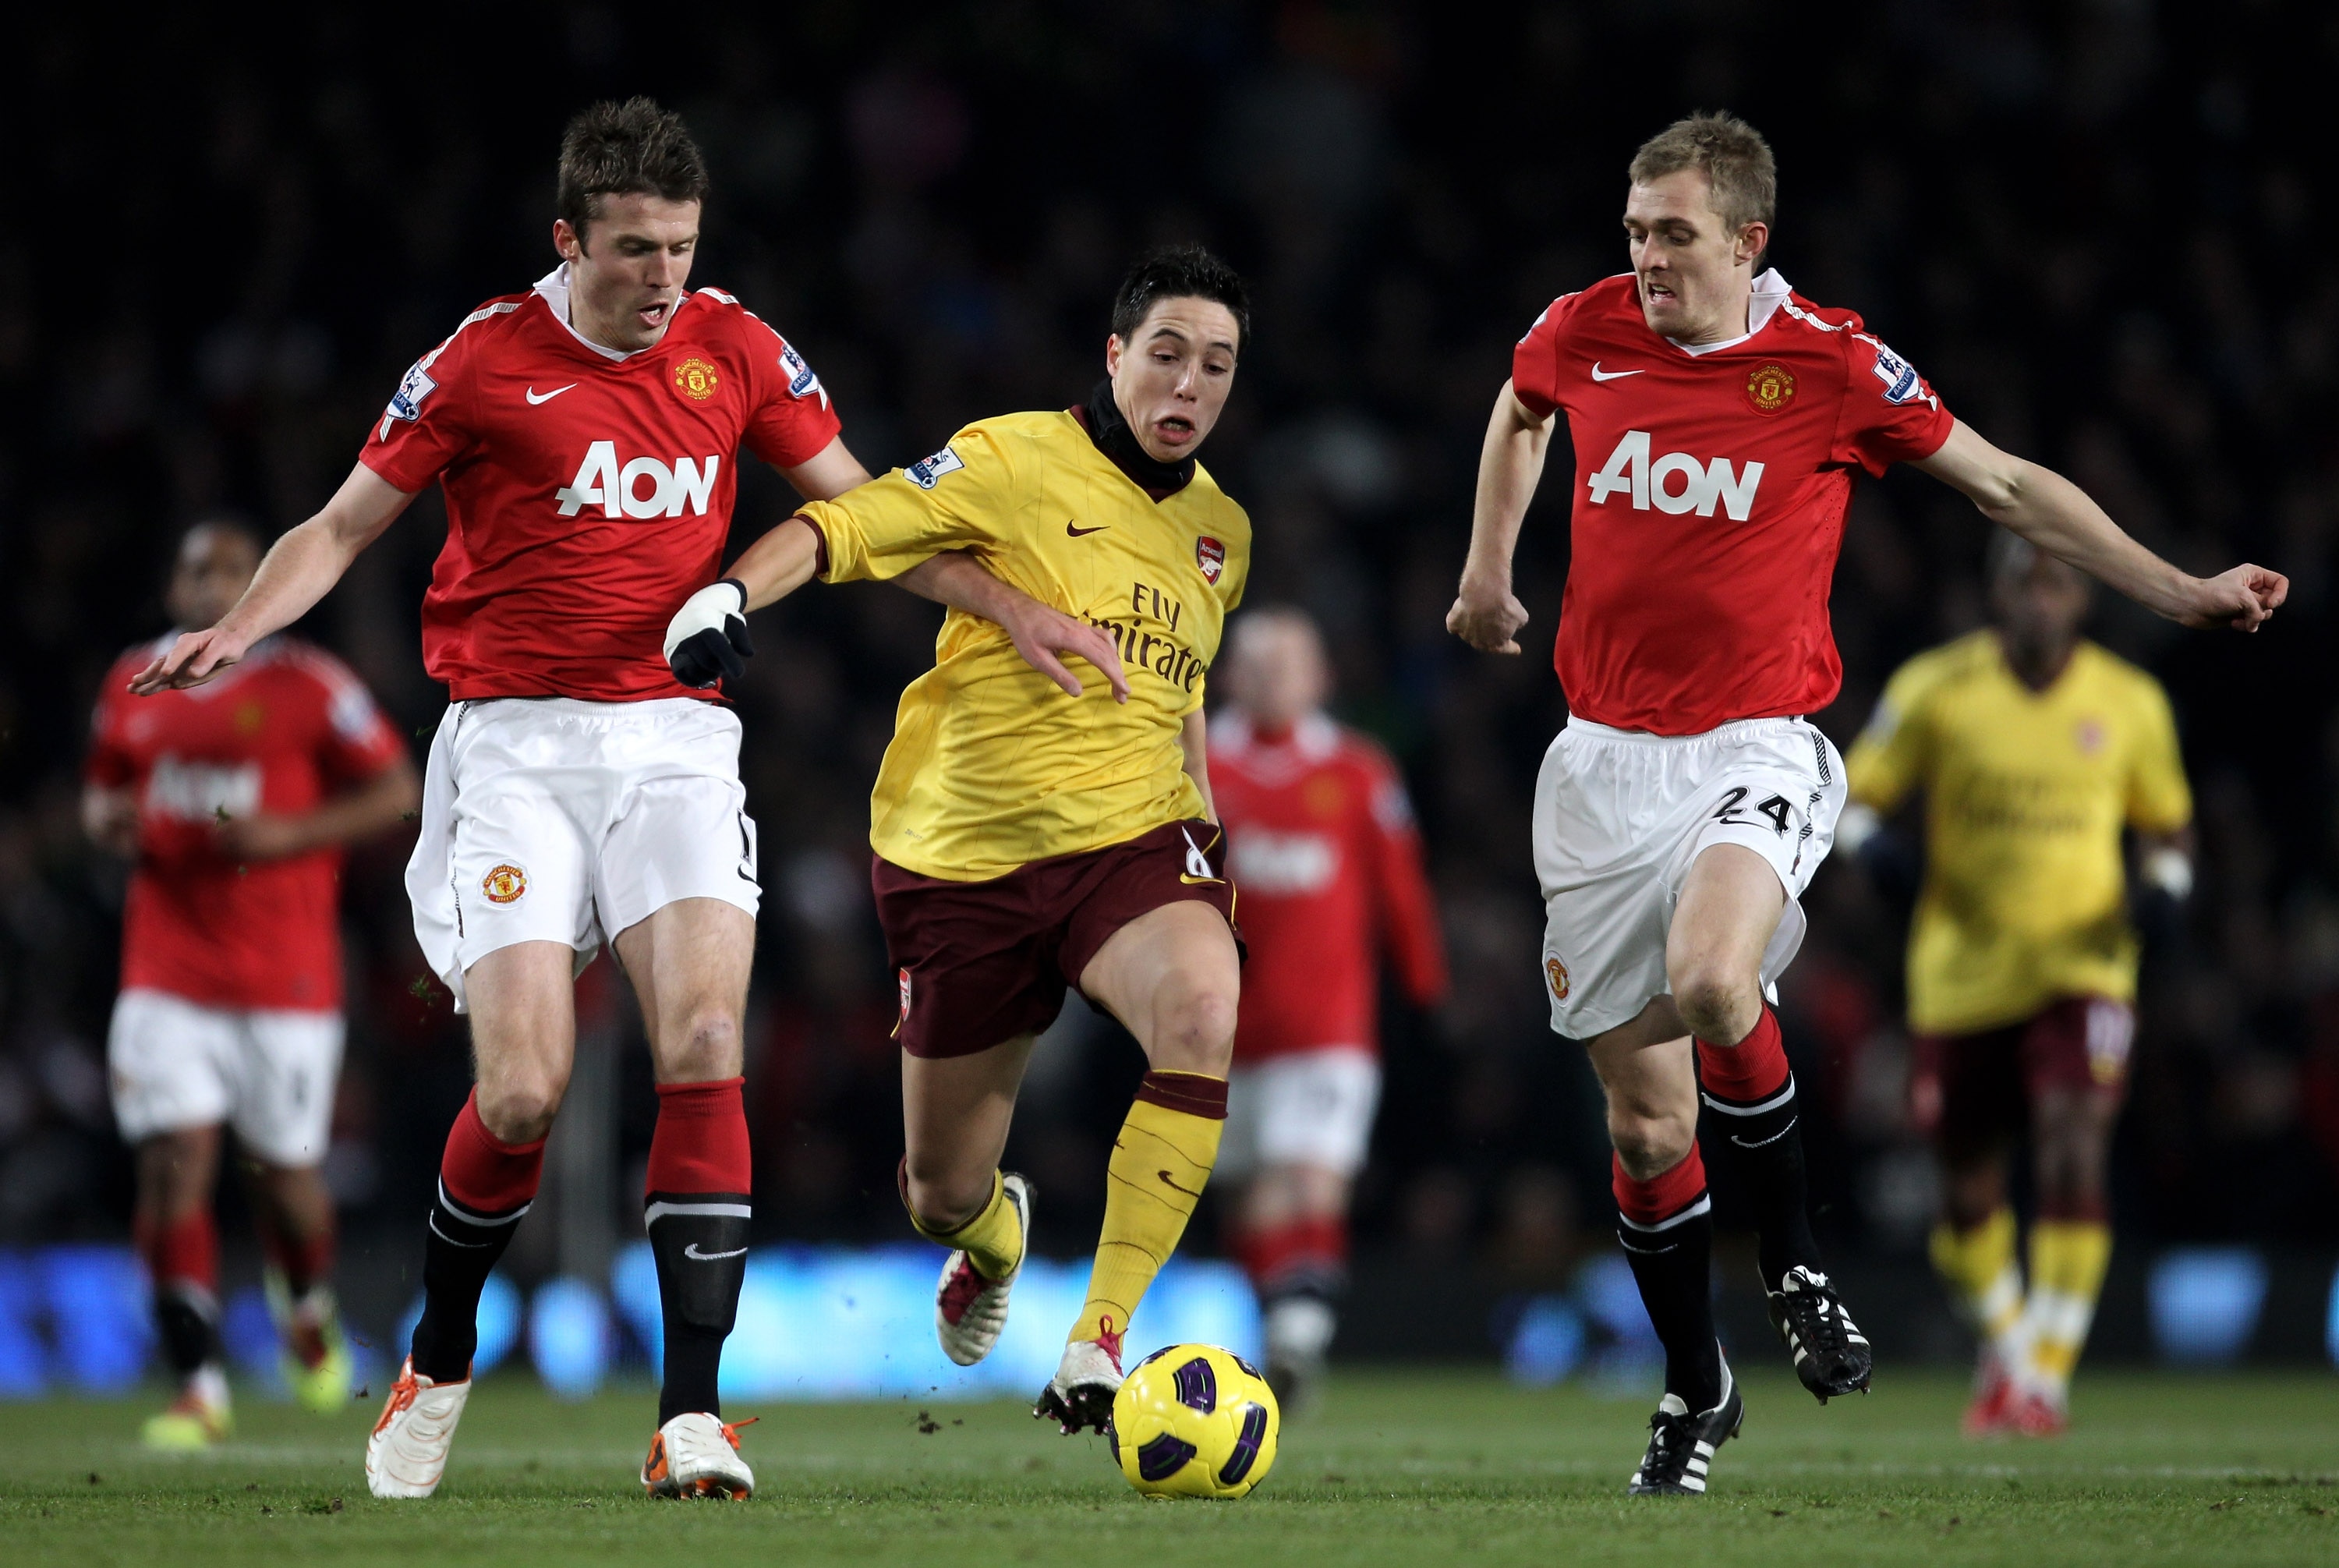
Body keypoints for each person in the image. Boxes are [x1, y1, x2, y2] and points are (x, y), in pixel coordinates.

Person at [129, 98, 1090, 1502]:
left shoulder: (738, 346)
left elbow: (868, 512)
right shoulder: (477, 360)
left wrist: (1008, 606)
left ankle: (690, 1417)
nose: (663, 281)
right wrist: (240, 635)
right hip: (513, 749)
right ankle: (440, 1356)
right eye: (634, 250)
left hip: (677, 743)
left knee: (704, 1035)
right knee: (522, 1090)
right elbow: (341, 525)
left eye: (682, 250)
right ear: (568, 238)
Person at [1445, 111, 2284, 1496]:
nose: (1647, 259)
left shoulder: (1830, 363)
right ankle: (1695, 1384)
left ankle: (1791, 1269)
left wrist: (2181, 588)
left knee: (1717, 984)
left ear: (1748, 239)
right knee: (1647, 1127)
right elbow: (1521, 407)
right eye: (1636, 233)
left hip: (1756, 745)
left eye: (1675, 236)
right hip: (1596, 763)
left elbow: (2008, 486)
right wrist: (1489, 567)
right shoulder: (1583, 328)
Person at [669, 244, 1251, 1435]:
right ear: (1116, 356)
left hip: (1132, 841)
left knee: (1203, 1007)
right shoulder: (1011, 456)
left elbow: (1182, 677)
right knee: (938, 1190)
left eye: (1219, 366)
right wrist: (730, 594)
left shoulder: (1223, 532)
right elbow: (854, 519)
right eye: (1169, 354)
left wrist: (1201, 798)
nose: (1190, 385)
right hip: (959, 857)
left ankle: (1097, 1341)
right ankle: (994, 1237)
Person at [1841, 534, 2192, 1438]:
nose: (2040, 601)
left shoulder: (2129, 701)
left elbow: (2169, 827)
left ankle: (2043, 1378)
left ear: (2080, 600)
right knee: (1966, 1193)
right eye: (2024, 583)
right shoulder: (1936, 688)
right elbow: (1853, 794)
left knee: (2076, 1149)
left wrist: (2166, 887)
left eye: (2056, 585)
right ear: (1995, 594)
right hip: (1962, 972)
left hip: (2085, 966)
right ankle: (2007, 1344)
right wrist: (1869, 846)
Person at [86, 520, 419, 1449]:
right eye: (197, 571)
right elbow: (103, 789)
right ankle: (197, 1386)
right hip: (165, 971)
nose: (213, 586)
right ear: (172, 587)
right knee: (172, 1164)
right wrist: (104, 816)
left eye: (234, 573)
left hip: (286, 978)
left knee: (288, 1185)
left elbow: (402, 788)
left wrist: (289, 835)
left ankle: (304, 1309)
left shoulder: (310, 682)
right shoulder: (131, 683)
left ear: (262, 587)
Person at [1208, 607, 1446, 1409]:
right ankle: (1285, 1317)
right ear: (1230, 674)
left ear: (1320, 678)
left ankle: (1298, 1335)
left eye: (1289, 665)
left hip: (1328, 1023)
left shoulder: (1358, 772)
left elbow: (1400, 892)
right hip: (1217, 1026)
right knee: (1246, 1194)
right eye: (1258, 664)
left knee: (1306, 1173)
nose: (1273, 679)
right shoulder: (1193, 764)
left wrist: (1426, 990)